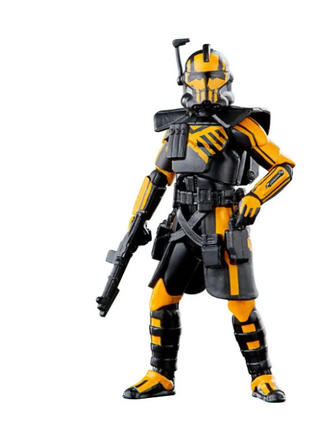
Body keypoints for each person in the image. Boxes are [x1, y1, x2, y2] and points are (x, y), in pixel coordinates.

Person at [112, 41, 295, 403]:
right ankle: (160, 375)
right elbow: (157, 178)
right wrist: (137, 221)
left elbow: (283, 167)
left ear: (225, 81)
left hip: (225, 225)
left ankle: (262, 377)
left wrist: (256, 197)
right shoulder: (176, 127)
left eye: (212, 79)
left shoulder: (241, 124)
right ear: (186, 83)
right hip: (182, 225)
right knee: (161, 299)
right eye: (199, 79)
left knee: (241, 305)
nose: (206, 87)